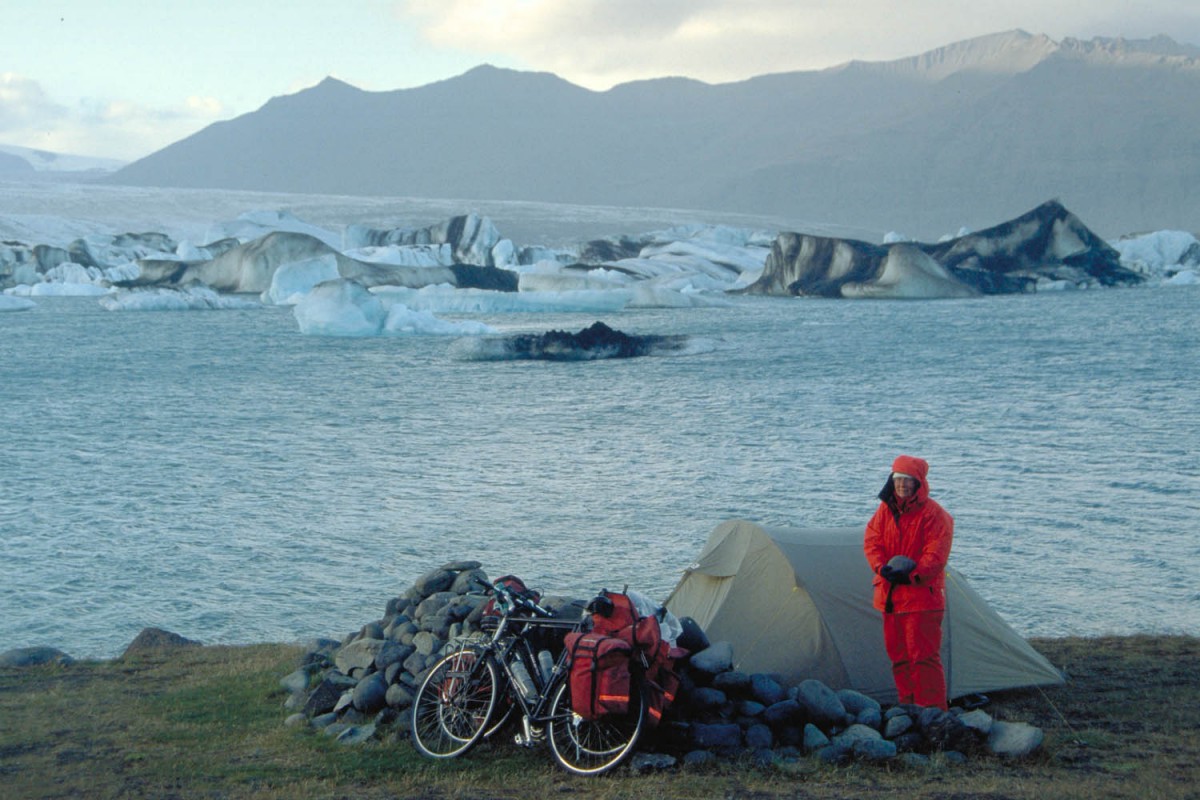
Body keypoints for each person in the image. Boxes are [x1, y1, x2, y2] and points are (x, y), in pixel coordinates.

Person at [863, 455, 954, 710]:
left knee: (923, 658)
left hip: (921, 597)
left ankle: (932, 712)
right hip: (890, 596)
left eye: (908, 480)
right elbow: (872, 541)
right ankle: (908, 708)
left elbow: (936, 555)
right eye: (898, 479)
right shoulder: (885, 510)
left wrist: (911, 575)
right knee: (899, 657)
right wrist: (881, 568)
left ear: (918, 483)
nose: (902, 485)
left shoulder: (935, 514)